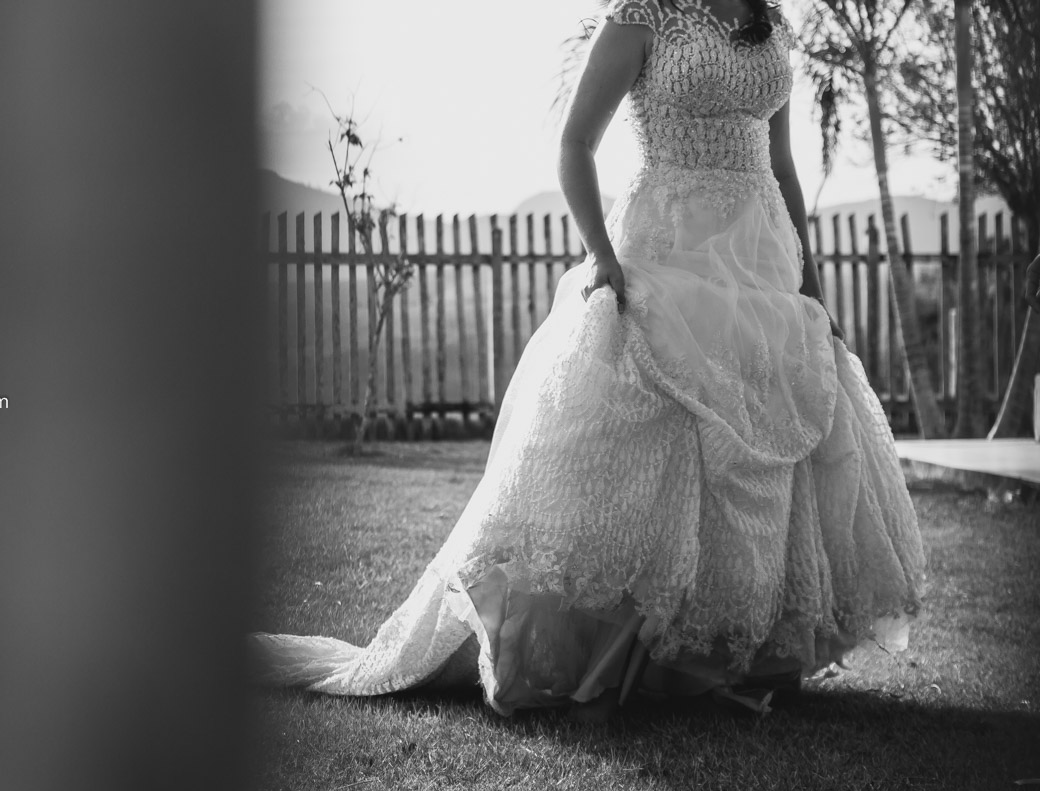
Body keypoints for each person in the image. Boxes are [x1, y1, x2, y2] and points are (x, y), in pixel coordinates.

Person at [253, 0, 925, 718]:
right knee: (662, 434)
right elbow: (575, 141)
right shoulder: (643, 14)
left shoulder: (771, 22)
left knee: (765, 447)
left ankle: (737, 650)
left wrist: (811, 288)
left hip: (760, 262)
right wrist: (602, 255)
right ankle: (628, 656)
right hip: (666, 250)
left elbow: (782, 164)